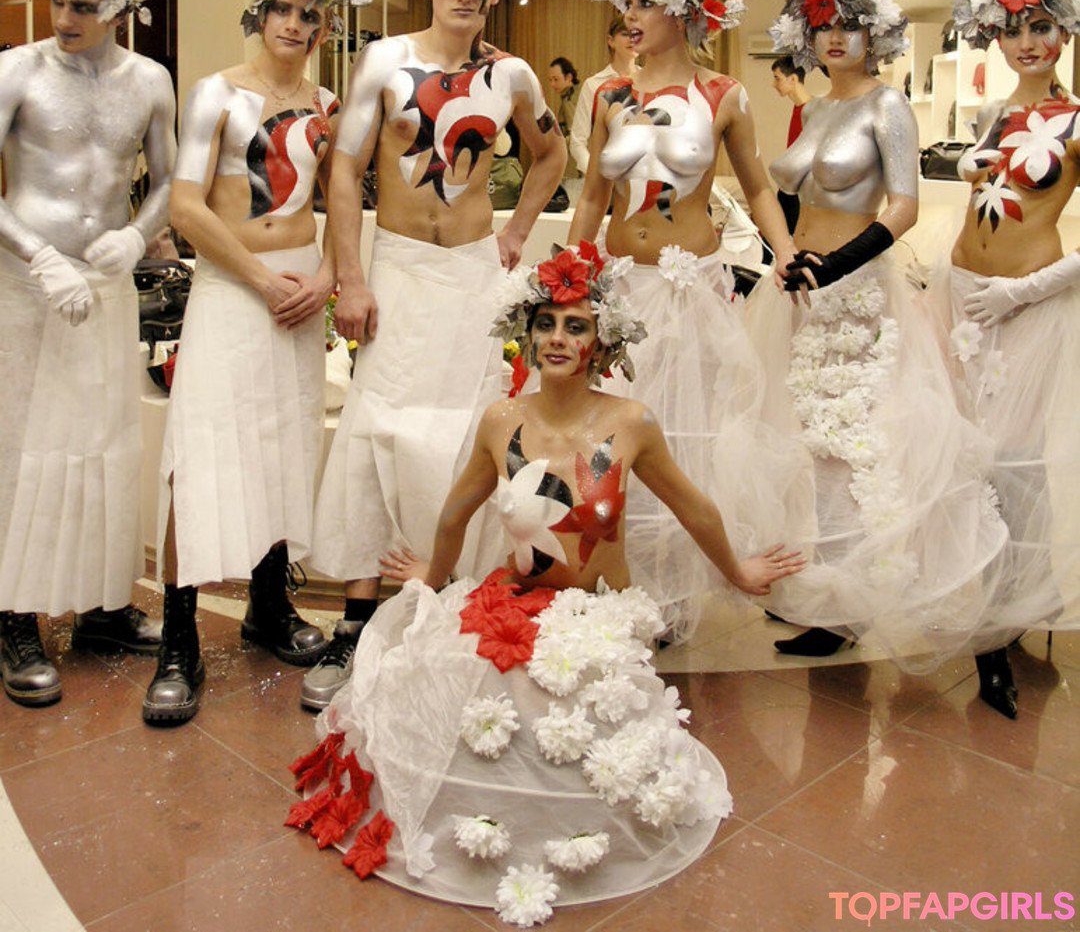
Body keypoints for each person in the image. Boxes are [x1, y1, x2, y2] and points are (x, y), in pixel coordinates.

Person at [288, 245, 803, 917]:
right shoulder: (502, 420)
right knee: (473, 713)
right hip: (513, 605)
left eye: (576, 325)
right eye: (547, 324)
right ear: (527, 337)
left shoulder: (632, 423)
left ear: (601, 343)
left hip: (597, 618)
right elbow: (455, 512)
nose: (558, 337)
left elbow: (695, 508)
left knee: (579, 745)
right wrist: (432, 578)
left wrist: (738, 570)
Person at [303, 0, 566, 710]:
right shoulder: (384, 61)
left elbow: (550, 156)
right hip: (399, 269)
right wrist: (351, 276)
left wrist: (518, 230)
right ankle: (356, 619)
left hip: (474, 277)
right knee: (374, 429)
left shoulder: (511, 74)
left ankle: (452, 599)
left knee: (469, 436)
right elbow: (344, 168)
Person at [750, 0, 1007, 662]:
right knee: (808, 447)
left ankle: (870, 598)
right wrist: (784, 253)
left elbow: (904, 205)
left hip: (857, 293)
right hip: (801, 292)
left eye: (851, 25)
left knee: (855, 446)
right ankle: (832, 594)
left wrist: (840, 264)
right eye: (823, 25)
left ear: (876, 35)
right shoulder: (816, 108)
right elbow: (786, 194)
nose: (836, 37)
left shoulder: (887, 104)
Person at [143, 0, 371, 726]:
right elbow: (185, 205)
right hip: (233, 292)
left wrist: (330, 274)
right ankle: (180, 640)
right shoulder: (215, 91)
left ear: (324, 29)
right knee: (198, 456)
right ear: (260, 15)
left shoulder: (329, 105)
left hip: (299, 300)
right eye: (283, 10)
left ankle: (268, 607)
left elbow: (343, 201)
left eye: (310, 15)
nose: (295, 24)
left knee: (284, 449)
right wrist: (260, 279)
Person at [568, 0, 795, 641]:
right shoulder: (608, 95)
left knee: (682, 438)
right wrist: (570, 272)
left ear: (682, 13)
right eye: (625, 4)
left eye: (644, 3)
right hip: (620, 286)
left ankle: (671, 594)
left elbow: (758, 187)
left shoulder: (723, 94)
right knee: (607, 437)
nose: (630, 16)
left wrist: (785, 252)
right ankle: (615, 582)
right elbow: (592, 197)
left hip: (690, 288)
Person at [0, 0, 175, 707]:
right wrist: (40, 256)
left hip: (105, 286)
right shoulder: (18, 70)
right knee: (19, 447)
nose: (65, 17)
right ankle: (12, 616)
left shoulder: (150, 80)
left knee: (105, 442)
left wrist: (137, 233)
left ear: (120, 5)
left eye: (84, 4)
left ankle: (104, 607)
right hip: (26, 283)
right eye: (58, 0)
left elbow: (169, 179)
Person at [937, 0, 1080, 717]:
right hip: (963, 298)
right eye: (1015, 28)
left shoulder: (1077, 121)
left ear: (1065, 34)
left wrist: (1020, 292)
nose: (1028, 42)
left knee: (1016, 463)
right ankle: (987, 617)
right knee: (967, 458)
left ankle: (1009, 620)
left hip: (1025, 308)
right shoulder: (993, 115)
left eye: (1042, 27)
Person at [567, 14, 639, 176]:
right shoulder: (594, 84)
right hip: (606, 175)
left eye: (636, 34)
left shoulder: (650, 81)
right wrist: (595, 173)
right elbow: (577, 141)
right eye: (625, 34)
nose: (632, 40)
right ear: (610, 40)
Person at [548, 56, 581, 183]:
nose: (552, 84)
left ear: (568, 77)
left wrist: (555, 146)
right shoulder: (571, 95)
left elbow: (575, 135)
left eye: (556, 79)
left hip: (574, 165)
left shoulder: (570, 99)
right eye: (550, 80)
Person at [770, 55, 810, 146]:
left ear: (793, 79)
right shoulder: (798, 108)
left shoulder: (812, 111)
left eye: (777, 79)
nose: (773, 85)